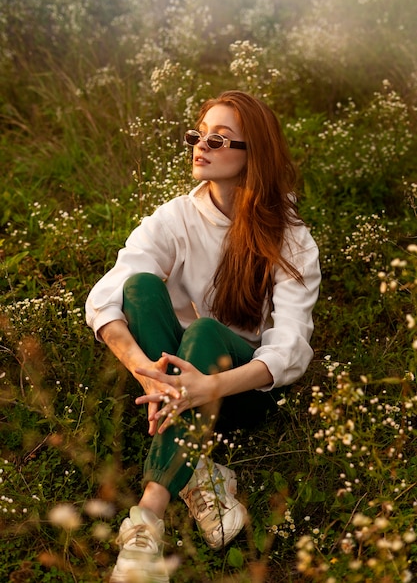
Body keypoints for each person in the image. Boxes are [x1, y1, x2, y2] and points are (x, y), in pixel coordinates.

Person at [85, 90, 321, 582]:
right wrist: (143, 370)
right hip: (172, 381)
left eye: (218, 139)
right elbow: (106, 296)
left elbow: (292, 349)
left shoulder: (291, 236)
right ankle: (203, 472)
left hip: (238, 390)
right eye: (197, 135)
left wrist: (210, 387)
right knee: (140, 287)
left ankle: (147, 517)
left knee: (208, 331)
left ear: (253, 153)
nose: (200, 145)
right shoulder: (176, 216)